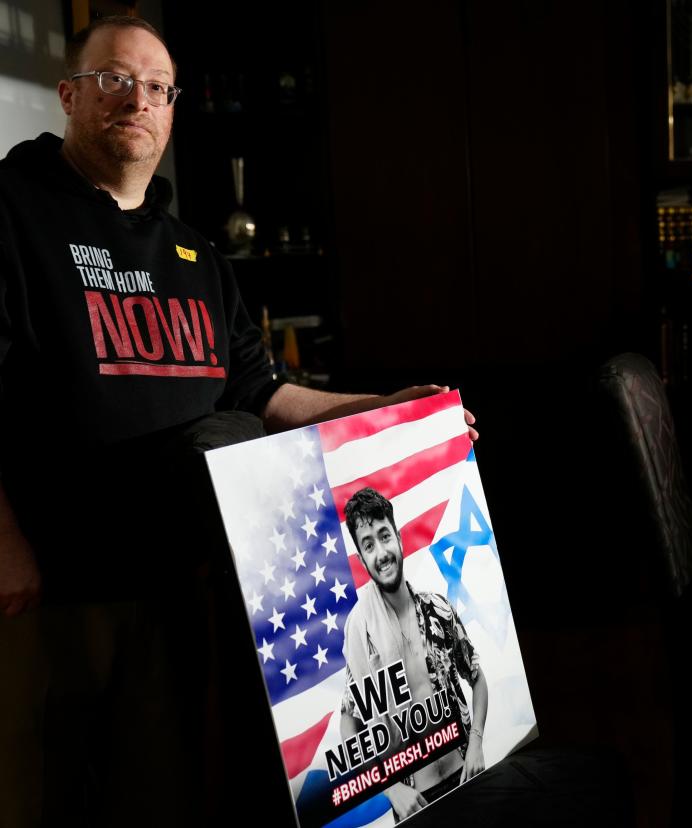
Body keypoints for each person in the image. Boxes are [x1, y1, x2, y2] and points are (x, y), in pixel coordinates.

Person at [0, 16, 474, 827]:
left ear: (174, 110)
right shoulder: (12, 213)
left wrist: (389, 406)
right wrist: (2, 540)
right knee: (39, 795)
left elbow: (267, 395)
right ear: (71, 95)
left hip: (184, 585)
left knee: (154, 795)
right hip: (57, 584)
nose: (136, 97)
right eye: (115, 78)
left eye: (156, 86)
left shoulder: (197, 257)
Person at [339, 487, 488, 818]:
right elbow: (348, 724)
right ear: (362, 560)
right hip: (414, 803)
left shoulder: (438, 609)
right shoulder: (363, 632)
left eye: (384, 536)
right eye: (368, 545)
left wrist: (476, 741)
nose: (382, 552)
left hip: (465, 775)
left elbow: (478, 679)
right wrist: (391, 789)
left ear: (399, 538)